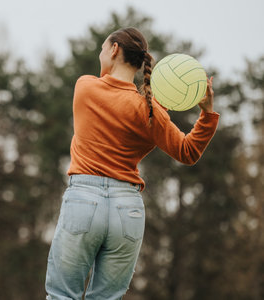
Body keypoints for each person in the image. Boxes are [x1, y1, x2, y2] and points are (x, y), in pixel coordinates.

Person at [45, 27, 219, 300]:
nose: (100, 53)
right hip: (127, 211)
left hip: (83, 200)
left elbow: (110, 92)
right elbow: (188, 151)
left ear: (114, 50)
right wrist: (207, 115)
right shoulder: (150, 111)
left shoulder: (85, 87)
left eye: (103, 48)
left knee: (61, 295)